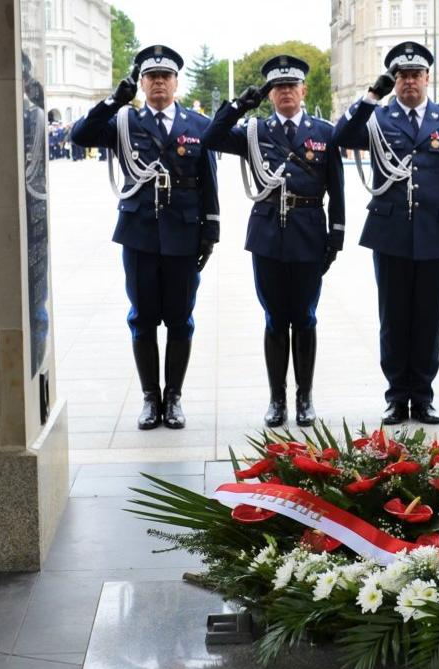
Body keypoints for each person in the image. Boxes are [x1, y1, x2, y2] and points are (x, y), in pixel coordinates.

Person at [331, 42, 439, 426]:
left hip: (433, 232)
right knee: (394, 318)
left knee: (429, 319)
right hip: (391, 232)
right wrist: (369, 97)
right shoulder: (378, 118)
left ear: (428, 78)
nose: (409, 81)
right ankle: (397, 396)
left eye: (416, 74)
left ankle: (424, 395)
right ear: (394, 81)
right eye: (402, 76)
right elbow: (342, 137)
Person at [71, 45, 219, 430]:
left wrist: (211, 232)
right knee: (142, 318)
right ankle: (150, 398)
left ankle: (174, 398)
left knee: (180, 320)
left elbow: (209, 184)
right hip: (139, 235)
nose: (158, 84)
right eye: (151, 78)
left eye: (165, 77)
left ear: (175, 82)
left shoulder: (197, 125)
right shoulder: (125, 122)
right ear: (141, 83)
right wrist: (110, 101)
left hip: (184, 235)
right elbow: (79, 135)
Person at [205, 55, 345, 428]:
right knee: (273, 319)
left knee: (305, 318)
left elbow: (337, 188)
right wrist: (238, 105)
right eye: (278, 87)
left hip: (309, 234)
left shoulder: (324, 132)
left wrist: (337, 236)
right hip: (267, 235)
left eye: (291, 85)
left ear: (303, 90)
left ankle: (305, 398)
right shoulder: (255, 131)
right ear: (270, 95)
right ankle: (276, 400)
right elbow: (211, 138)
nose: (285, 92)